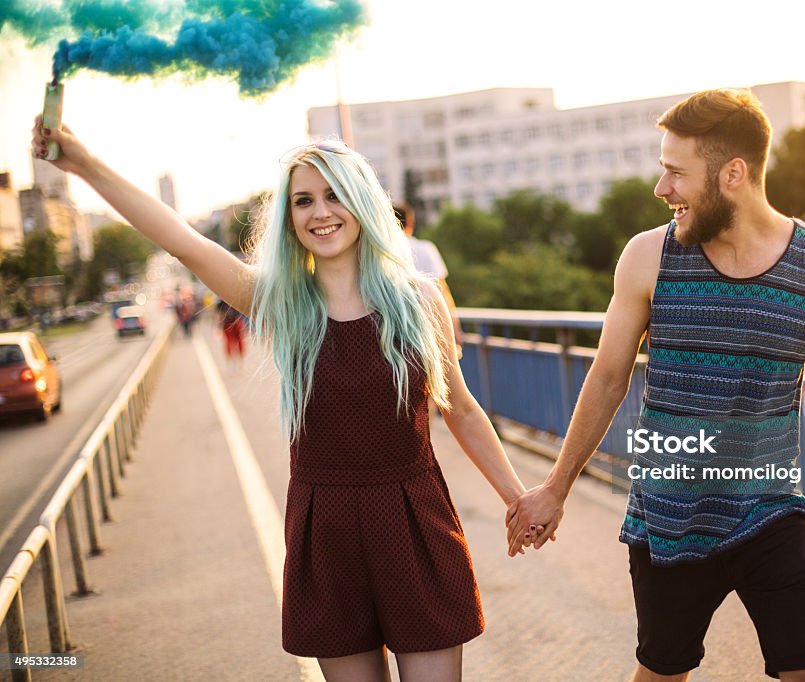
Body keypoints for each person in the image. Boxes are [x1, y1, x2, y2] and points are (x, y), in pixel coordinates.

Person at [33, 122, 535, 682]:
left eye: (334, 194)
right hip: (327, 532)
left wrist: (519, 499)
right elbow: (180, 238)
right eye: (303, 201)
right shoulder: (280, 304)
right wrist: (82, 163)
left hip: (415, 519)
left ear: (363, 202)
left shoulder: (418, 300)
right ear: (290, 219)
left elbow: (460, 409)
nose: (320, 212)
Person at [506, 90, 805, 681]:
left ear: (733, 175)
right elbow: (609, 377)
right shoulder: (648, 258)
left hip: (771, 509)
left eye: (675, 172)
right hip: (668, 516)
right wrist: (556, 487)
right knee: (663, 673)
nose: (660, 188)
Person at [394, 202, 464, 354]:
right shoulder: (426, 248)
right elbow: (442, 290)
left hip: (397, 330)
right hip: (431, 327)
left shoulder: (380, 252)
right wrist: (455, 329)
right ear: (411, 224)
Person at [216, 298, 247, 366]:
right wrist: (219, 327)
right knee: (229, 342)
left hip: (236, 322)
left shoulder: (235, 298)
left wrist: (243, 325)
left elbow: (241, 313)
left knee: (240, 341)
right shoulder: (220, 301)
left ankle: (240, 360)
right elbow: (219, 315)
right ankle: (230, 361)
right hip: (227, 323)